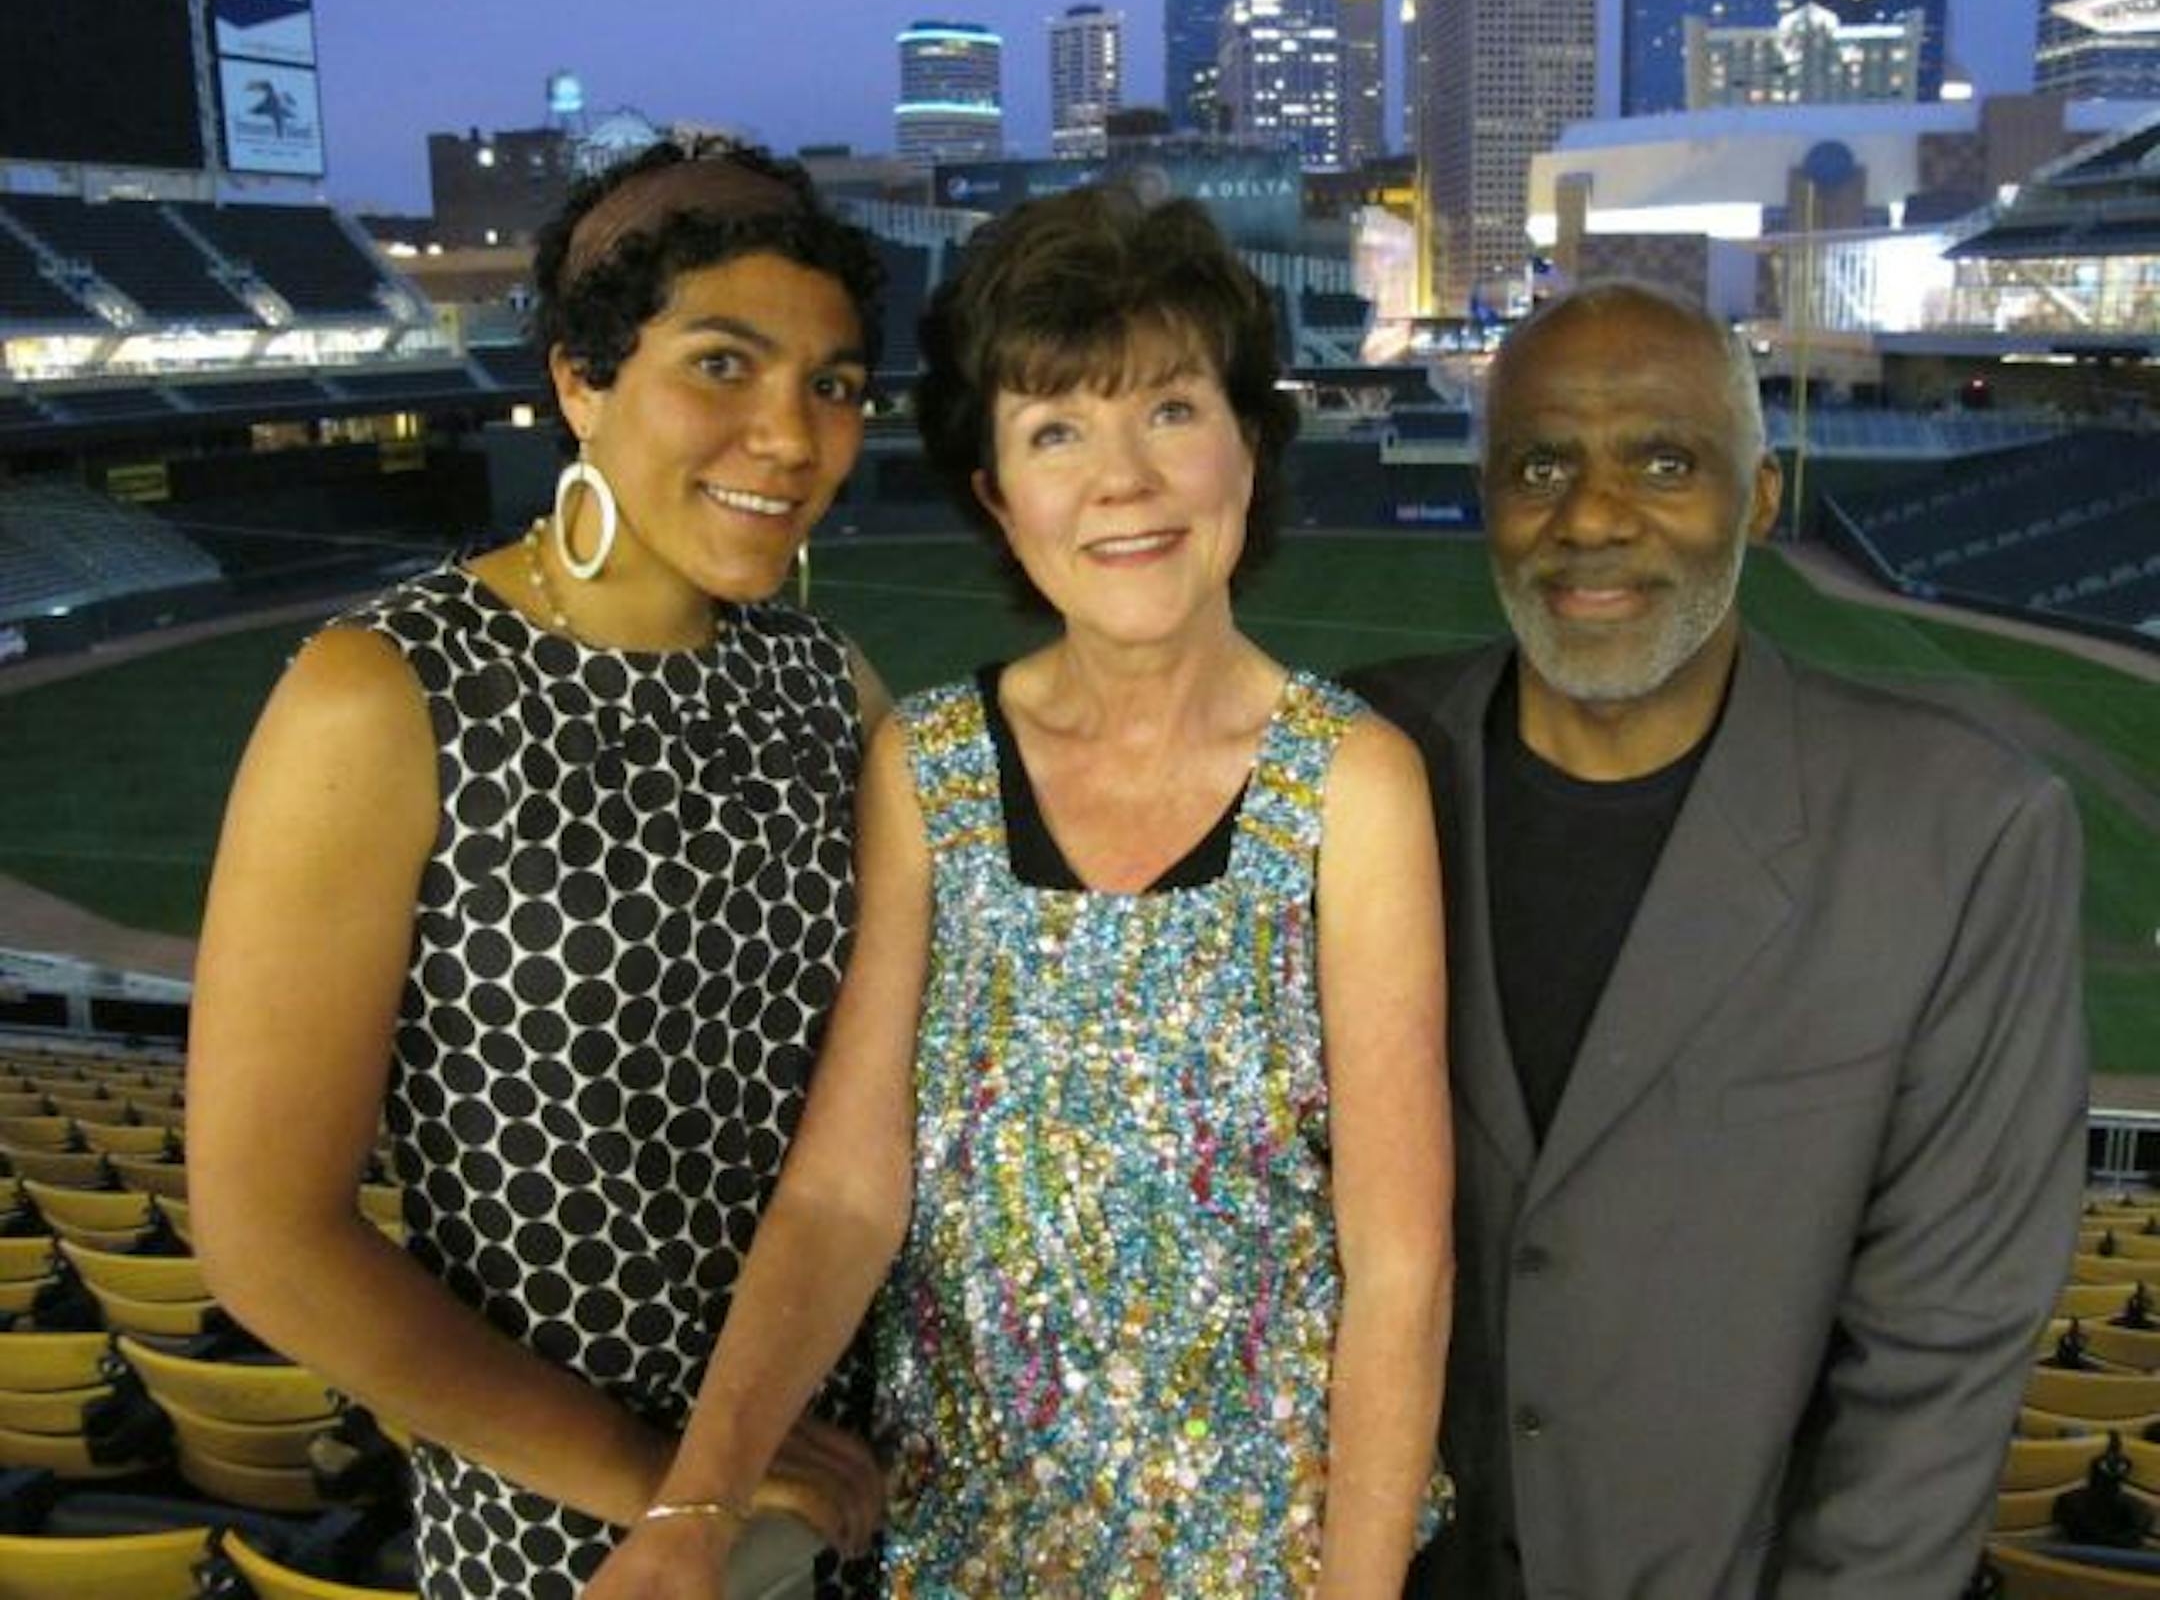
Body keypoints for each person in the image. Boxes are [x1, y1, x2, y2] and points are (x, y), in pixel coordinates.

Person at [587, 187, 1455, 1599]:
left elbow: (1399, 1262)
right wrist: (693, 1513)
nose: (1124, 483)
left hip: (1271, 1558)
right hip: (968, 1549)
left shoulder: (1355, 785)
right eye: (1058, 431)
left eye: (1171, 410)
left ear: (1249, 442)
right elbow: (845, 1192)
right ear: (998, 492)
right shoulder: (922, 766)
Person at [188, 138, 891, 1600]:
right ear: (580, 380)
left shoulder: (829, 685)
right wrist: (680, 1501)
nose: (790, 434)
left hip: (852, 1492)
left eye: (832, 383)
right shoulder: (386, 692)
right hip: (577, 1540)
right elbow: (268, 1235)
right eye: (722, 364)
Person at [1346, 279, 2088, 1598]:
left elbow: (1941, 1355)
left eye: (1664, 462)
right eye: (1538, 466)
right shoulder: (1347, 762)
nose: (1589, 518)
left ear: (1759, 495)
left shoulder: (1965, 829)